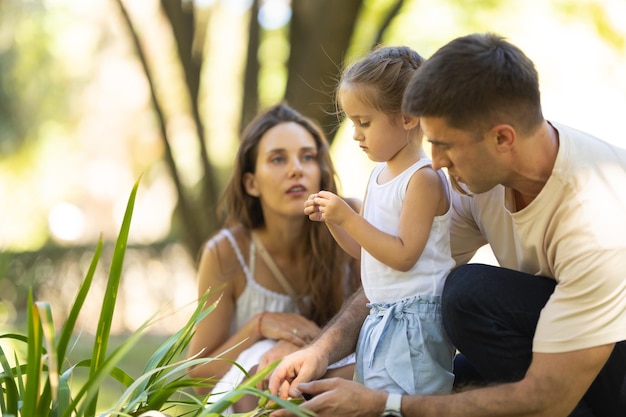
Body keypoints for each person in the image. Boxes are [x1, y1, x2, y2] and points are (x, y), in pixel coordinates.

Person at [267, 32, 626, 417]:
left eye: (445, 145)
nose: (434, 161)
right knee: (450, 378)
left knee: (467, 294)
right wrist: (320, 354)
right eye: (431, 142)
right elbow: (405, 274)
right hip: (559, 334)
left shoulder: (596, 218)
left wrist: (382, 405)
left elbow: (550, 398)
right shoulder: (472, 179)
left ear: (502, 138)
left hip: (612, 362)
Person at [187, 103, 361, 411]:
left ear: (320, 172)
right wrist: (258, 327)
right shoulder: (226, 253)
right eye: (278, 159)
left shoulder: (351, 222)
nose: (297, 169)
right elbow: (196, 378)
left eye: (308, 157)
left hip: (334, 376)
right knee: (264, 368)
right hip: (252, 395)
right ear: (251, 183)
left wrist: (302, 350)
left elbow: (381, 318)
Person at [303, 45, 455, 396]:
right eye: (353, 122)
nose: (356, 134)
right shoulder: (378, 176)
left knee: (407, 400)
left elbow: (403, 255)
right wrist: (334, 219)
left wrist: (349, 217)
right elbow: (364, 249)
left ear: (407, 117)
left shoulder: (423, 179)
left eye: (364, 122)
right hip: (381, 316)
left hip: (414, 323)